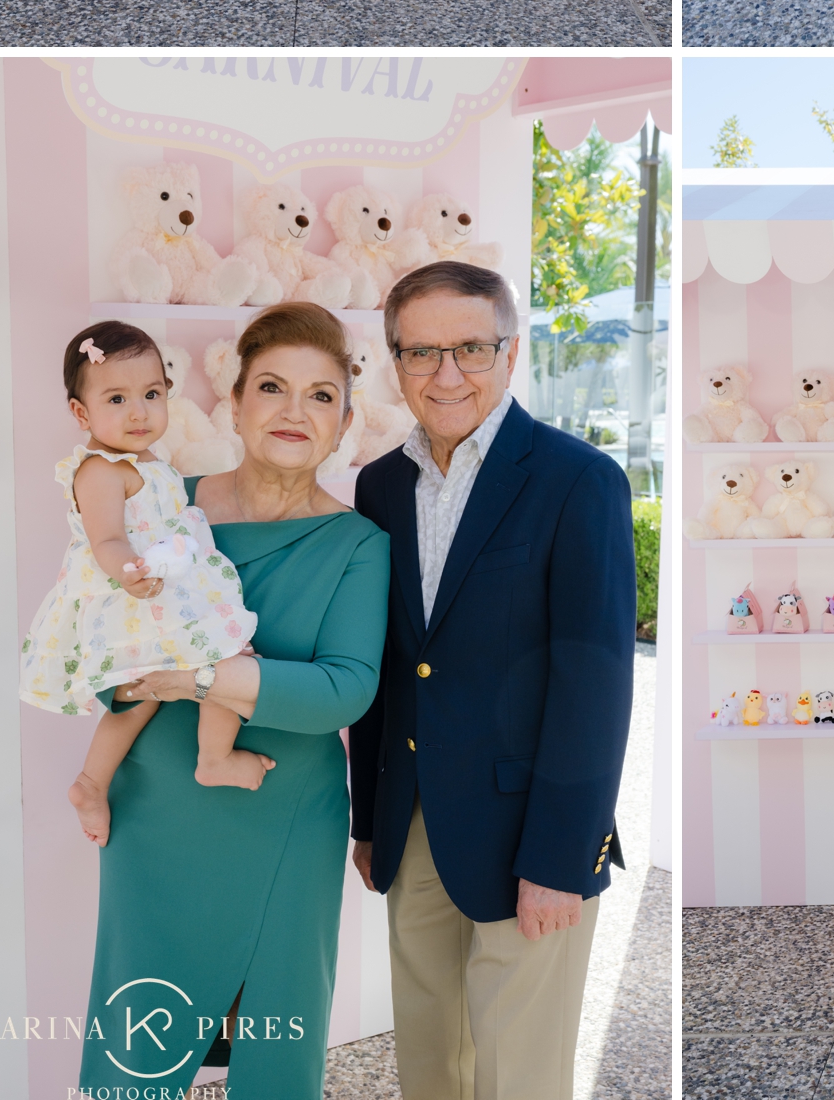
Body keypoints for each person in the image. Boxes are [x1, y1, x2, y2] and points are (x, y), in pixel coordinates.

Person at [74, 303, 390, 1100]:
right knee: (135, 1047)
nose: (294, 411)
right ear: (235, 402)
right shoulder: (157, 503)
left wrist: (198, 680)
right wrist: (126, 672)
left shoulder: (360, 543)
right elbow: (98, 634)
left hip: (286, 814)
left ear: (346, 422)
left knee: (275, 1052)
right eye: (273, 387)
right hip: (155, 814)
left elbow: (343, 691)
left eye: (321, 396)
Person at [349, 258, 636, 1100]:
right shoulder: (380, 485)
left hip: (531, 832)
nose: (446, 375)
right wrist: (373, 819)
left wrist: (560, 856)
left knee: (519, 1074)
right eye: (421, 353)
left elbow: (597, 687)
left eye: (471, 348)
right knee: (431, 1059)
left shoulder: (578, 480)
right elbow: (392, 666)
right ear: (394, 360)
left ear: (511, 354)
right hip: (413, 825)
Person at [20, 321, 265, 846]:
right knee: (207, 667)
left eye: (152, 394)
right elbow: (105, 539)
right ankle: (206, 759)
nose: (139, 412)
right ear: (81, 413)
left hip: (169, 589)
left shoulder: (151, 461)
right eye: (117, 398)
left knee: (158, 691)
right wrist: (130, 572)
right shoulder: (100, 470)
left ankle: (98, 781)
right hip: (135, 596)